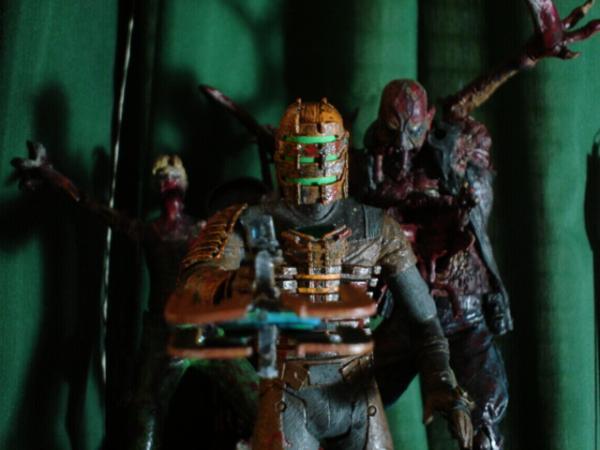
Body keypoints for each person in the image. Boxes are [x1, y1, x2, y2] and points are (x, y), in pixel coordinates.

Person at [167, 99, 473, 450]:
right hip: (287, 390)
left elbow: (425, 320)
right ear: (284, 155)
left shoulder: (378, 228)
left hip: (358, 394)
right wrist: (233, 286)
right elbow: (192, 284)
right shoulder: (246, 222)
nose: (314, 166)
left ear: (340, 153)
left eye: (321, 154)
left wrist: (441, 382)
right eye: (305, 155)